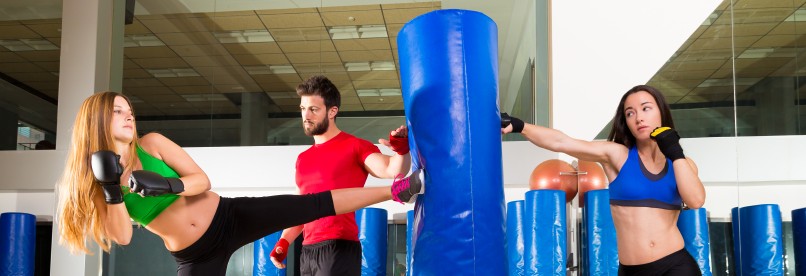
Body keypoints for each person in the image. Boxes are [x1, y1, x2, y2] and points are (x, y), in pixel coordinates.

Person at [55, 91, 423, 276]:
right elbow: (122, 236)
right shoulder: (99, 183)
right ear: (98, 119)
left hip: (229, 215)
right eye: (118, 111)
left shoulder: (152, 143)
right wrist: (111, 189)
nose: (128, 115)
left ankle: (397, 191)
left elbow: (202, 180)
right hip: (195, 256)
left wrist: (169, 187)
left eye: (128, 109)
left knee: (310, 203)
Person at [501, 85, 705, 276]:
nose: (639, 118)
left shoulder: (682, 164)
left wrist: (675, 153)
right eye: (630, 113)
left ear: (661, 112)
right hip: (630, 270)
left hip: (675, 267)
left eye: (646, 109)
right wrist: (520, 125)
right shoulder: (617, 155)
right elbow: (562, 142)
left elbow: (696, 201)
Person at [269, 75, 421, 275]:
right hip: (308, 249)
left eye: (314, 109)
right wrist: (284, 241)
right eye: (303, 109)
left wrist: (401, 150)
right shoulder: (303, 159)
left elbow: (392, 170)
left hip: (338, 245)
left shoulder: (354, 146)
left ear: (332, 111)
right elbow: (302, 207)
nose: (306, 115)